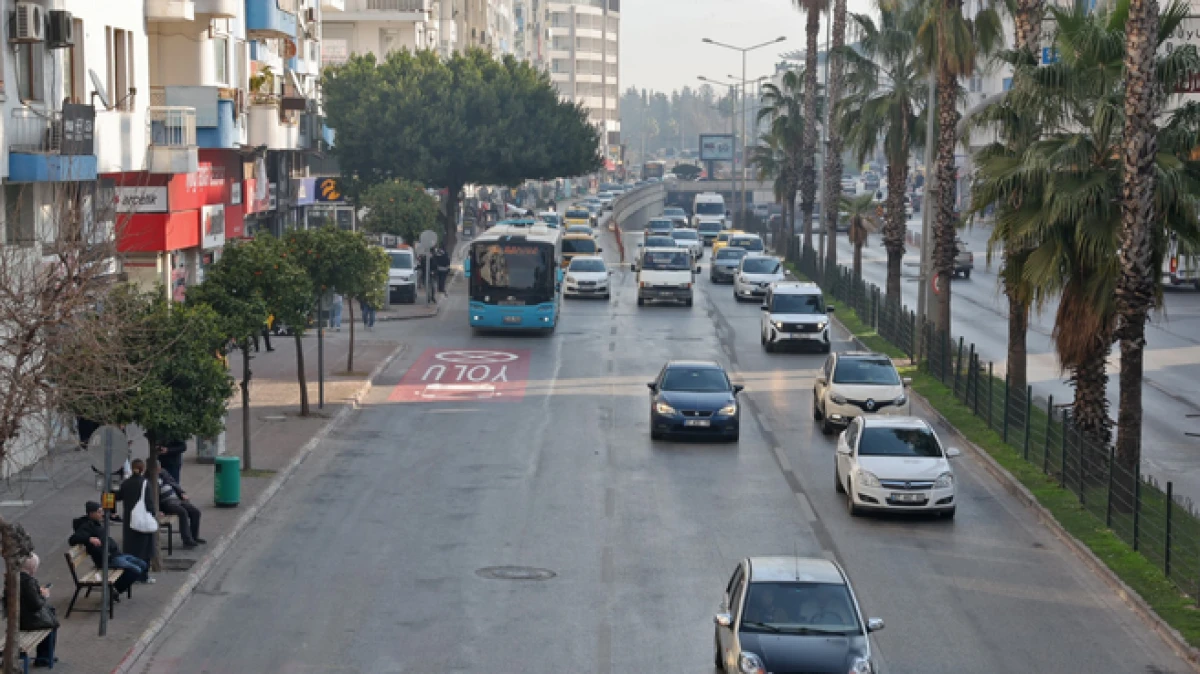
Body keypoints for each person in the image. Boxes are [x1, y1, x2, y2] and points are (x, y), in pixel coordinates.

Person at [68, 501, 151, 591]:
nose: (102, 514)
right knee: (136, 570)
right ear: (91, 514)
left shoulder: (95, 523)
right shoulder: (86, 526)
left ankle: (117, 586)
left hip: (116, 554)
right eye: (99, 512)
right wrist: (89, 539)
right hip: (107, 559)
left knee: (143, 564)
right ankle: (117, 589)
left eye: (102, 511)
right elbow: (72, 539)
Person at [6, 555, 58, 668]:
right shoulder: (28, 582)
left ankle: (45, 656)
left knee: (50, 615)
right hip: (26, 621)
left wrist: (37, 592)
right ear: (32, 568)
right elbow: (35, 605)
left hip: (17, 617)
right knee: (52, 622)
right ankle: (44, 658)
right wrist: (44, 596)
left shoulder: (14, 577)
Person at [117, 460, 155, 565]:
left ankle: (132, 571)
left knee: (130, 547)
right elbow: (149, 503)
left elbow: (118, 496)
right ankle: (143, 574)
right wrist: (153, 515)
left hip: (129, 520)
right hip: (142, 520)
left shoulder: (126, 483)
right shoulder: (145, 483)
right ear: (142, 469)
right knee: (144, 549)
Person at [158, 471, 204, 549]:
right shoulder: (149, 479)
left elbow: (174, 484)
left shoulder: (163, 474)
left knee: (195, 512)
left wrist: (182, 493)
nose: (159, 470)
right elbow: (151, 498)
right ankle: (187, 540)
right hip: (165, 503)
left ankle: (194, 536)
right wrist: (157, 510)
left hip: (176, 499)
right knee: (183, 512)